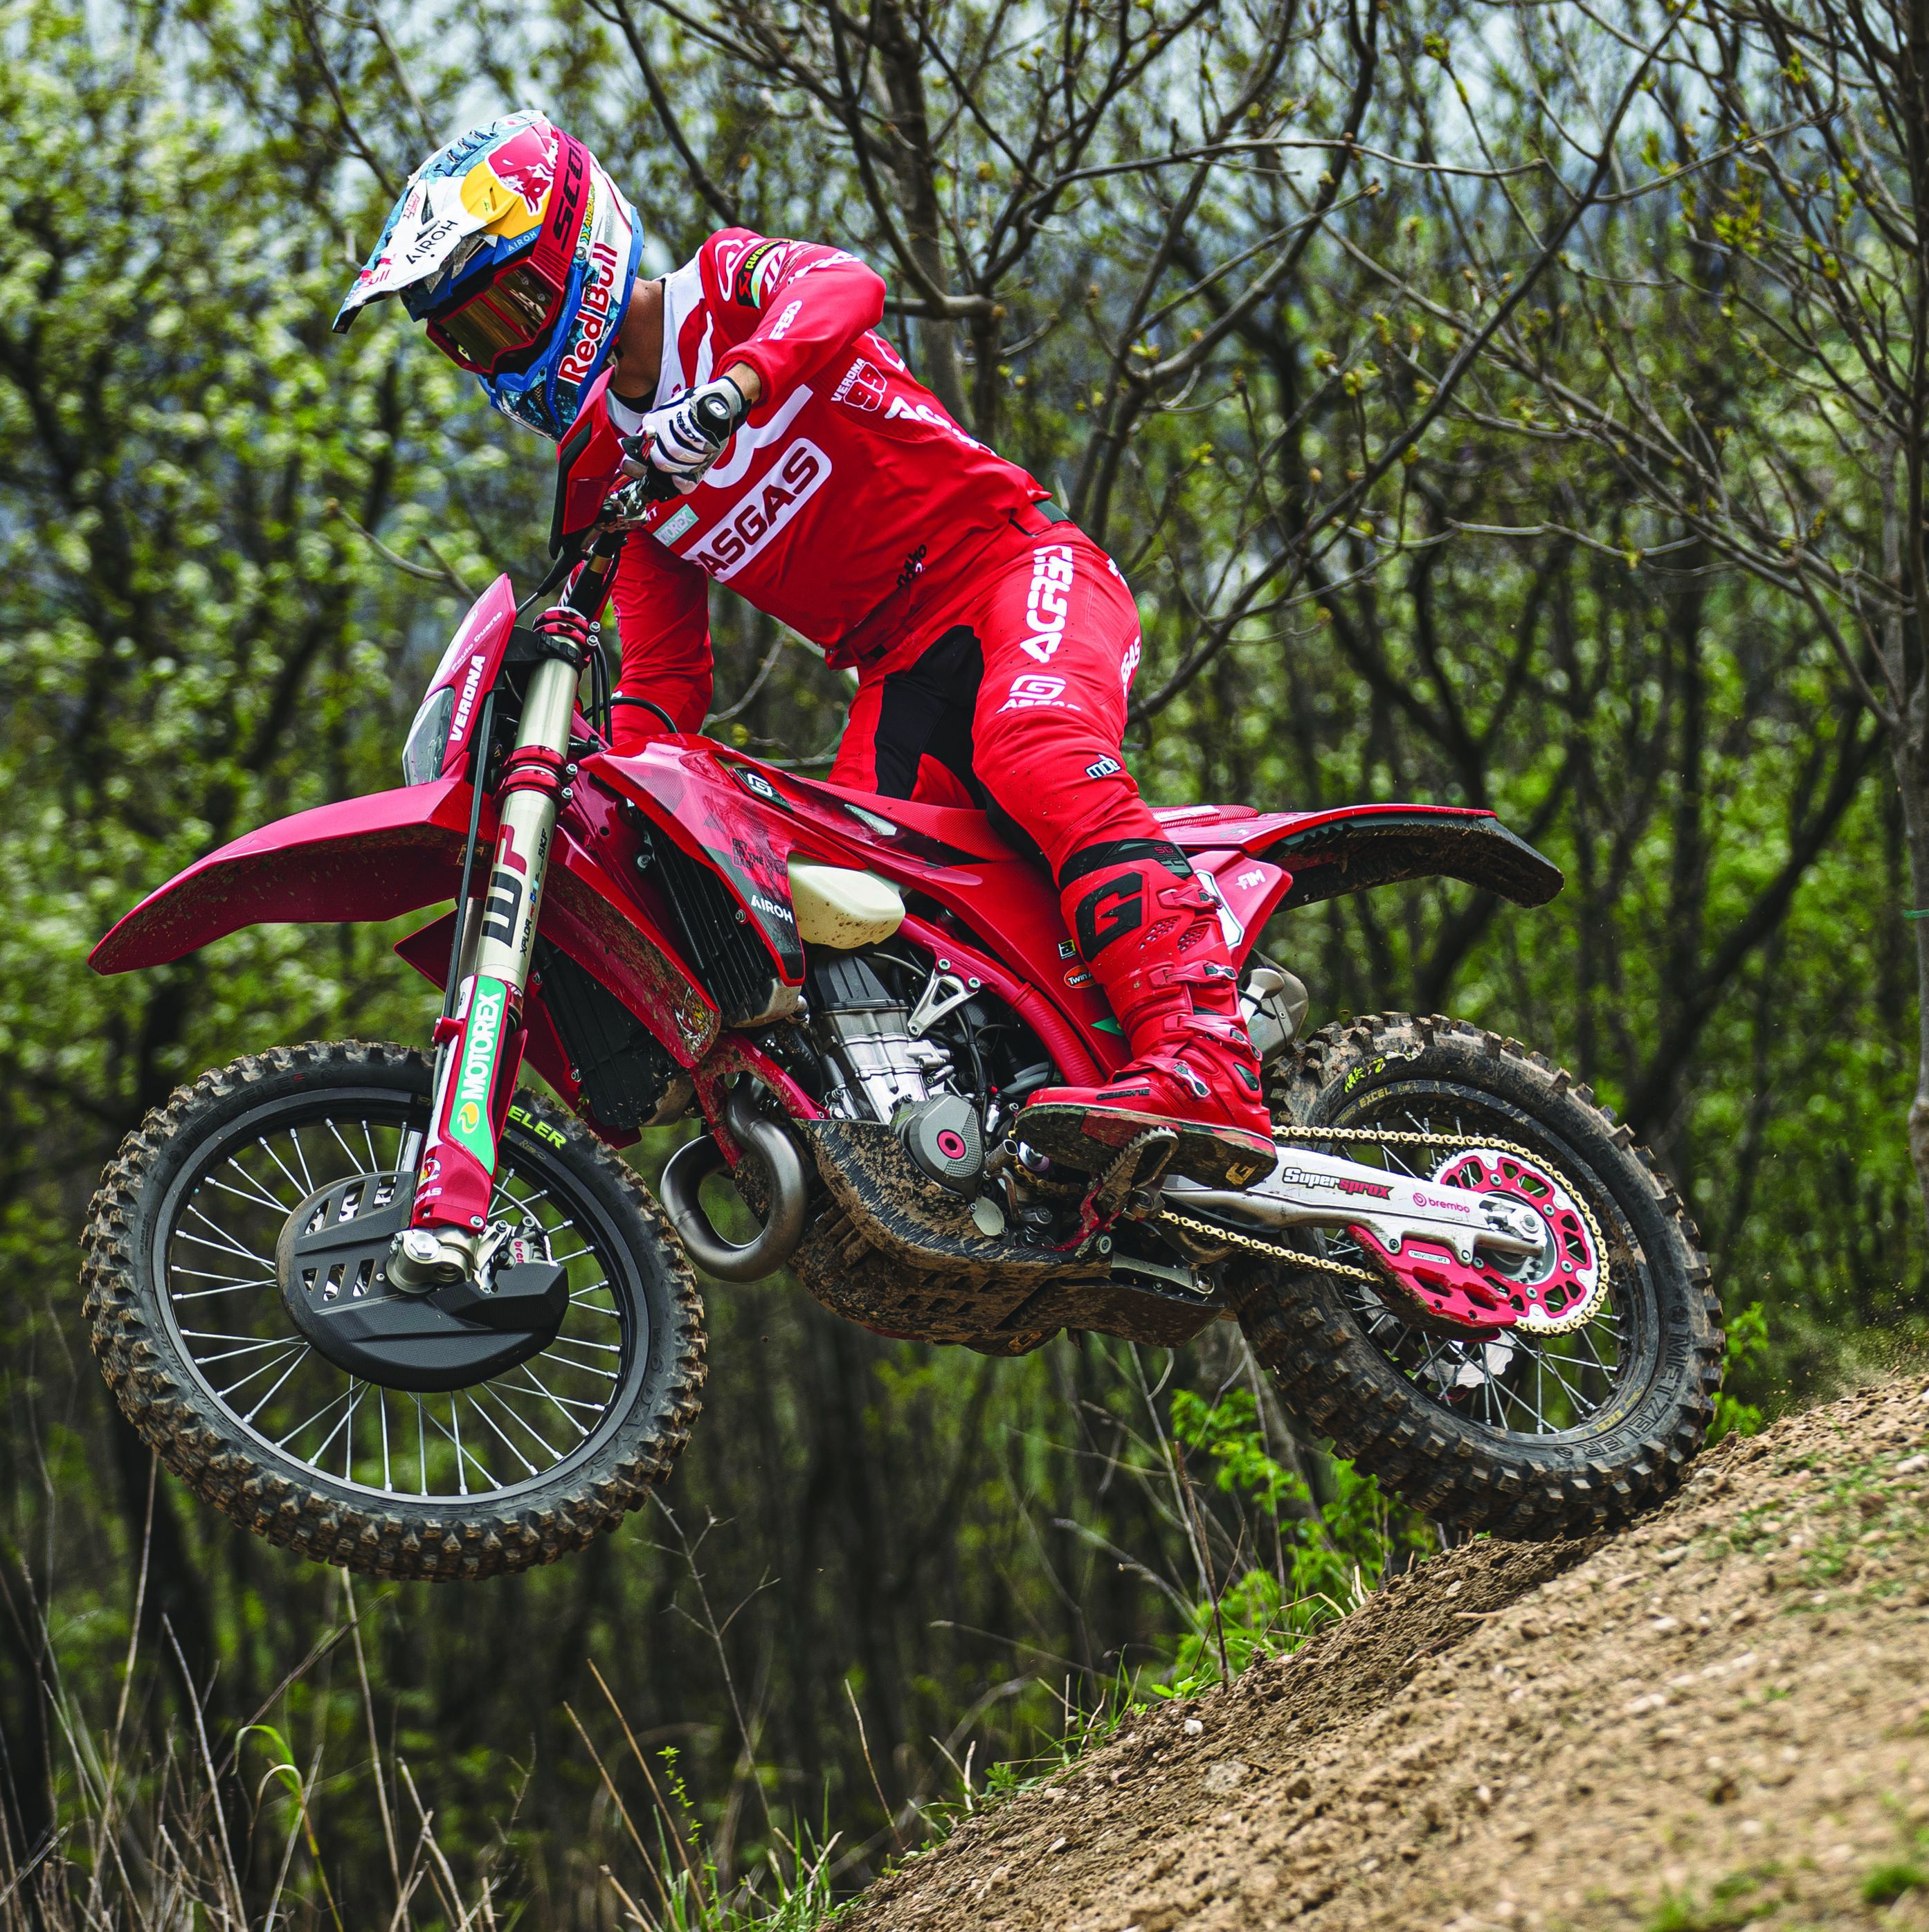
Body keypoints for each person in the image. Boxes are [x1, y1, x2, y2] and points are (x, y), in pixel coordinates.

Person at [332, 110, 1275, 1188]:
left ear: (575, 253)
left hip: (1014, 571)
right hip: (897, 669)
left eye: (505, 310)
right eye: (465, 338)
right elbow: (668, 676)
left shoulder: (723, 287)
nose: (495, 352)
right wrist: (608, 802)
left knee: (1034, 748)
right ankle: (1003, 1149)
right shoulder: (608, 465)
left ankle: (1208, 1060)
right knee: (854, 920)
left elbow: (845, 287)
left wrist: (734, 390)